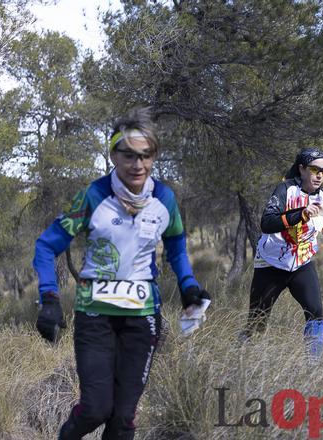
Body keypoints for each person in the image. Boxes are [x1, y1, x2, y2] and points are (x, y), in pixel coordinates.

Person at [32, 108, 210, 440]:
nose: (137, 164)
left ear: (154, 157)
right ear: (114, 155)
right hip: (95, 317)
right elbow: (46, 246)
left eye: (146, 156)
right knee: (96, 409)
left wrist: (188, 285)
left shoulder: (164, 199)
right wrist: (49, 297)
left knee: (124, 419)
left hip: (142, 319)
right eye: (128, 155)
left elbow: (176, 243)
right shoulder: (92, 196)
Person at [240, 147, 323, 359]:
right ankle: (242, 357)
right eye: (315, 169)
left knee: (316, 314)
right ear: (302, 169)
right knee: (257, 321)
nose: (320, 175)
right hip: (270, 264)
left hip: (302, 263)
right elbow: (266, 223)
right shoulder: (285, 189)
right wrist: (300, 214)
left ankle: (313, 366)